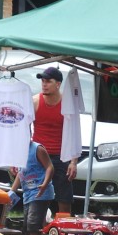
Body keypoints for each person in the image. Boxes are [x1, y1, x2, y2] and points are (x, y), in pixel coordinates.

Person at [33, 66, 76, 215]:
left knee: (64, 201)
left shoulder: (67, 104)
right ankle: (38, 230)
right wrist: (18, 159)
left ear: (58, 84)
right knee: (36, 198)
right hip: (38, 157)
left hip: (61, 156)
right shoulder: (35, 101)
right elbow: (23, 130)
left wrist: (73, 162)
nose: (44, 84)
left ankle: (64, 234)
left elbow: (74, 134)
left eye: (48, 81)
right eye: (42, 81)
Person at [9, 142, 54, 235]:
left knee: (33, 224)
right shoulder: (18, 151)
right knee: (28, 226)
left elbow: (50, 167)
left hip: (41, 192)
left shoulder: (37, 149)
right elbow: (20, 174)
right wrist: (11, 192)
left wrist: (45, 184)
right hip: (28, 194)